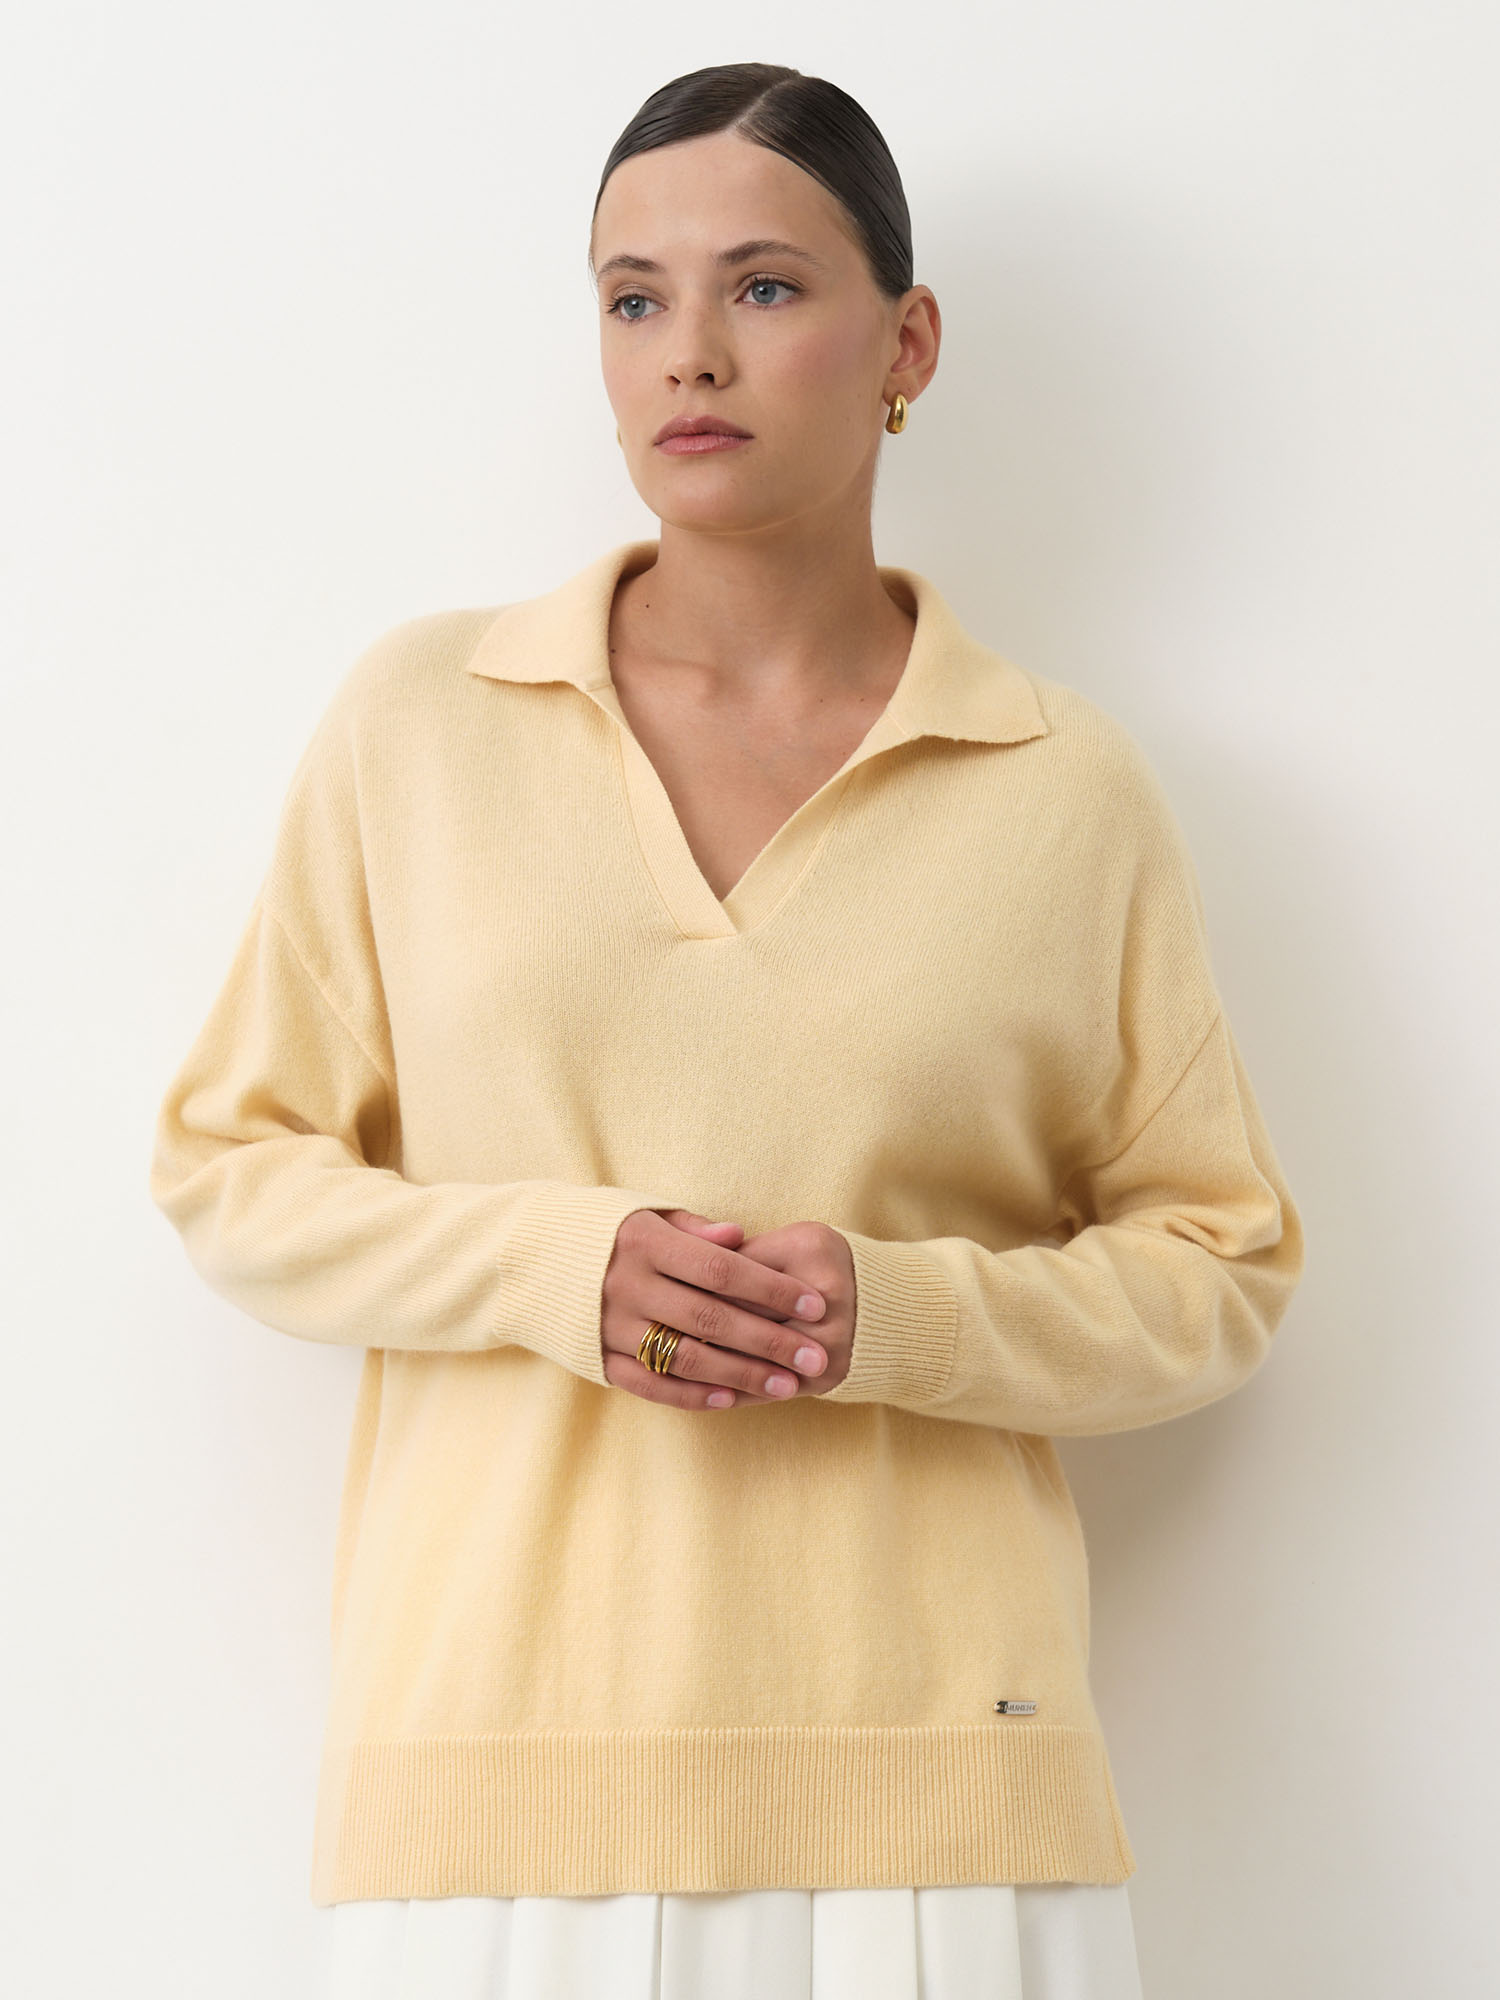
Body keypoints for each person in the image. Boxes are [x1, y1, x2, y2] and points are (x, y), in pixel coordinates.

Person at [148, 60, 1305, 2000]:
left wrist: (898, 1314)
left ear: (905, 344)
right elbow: (228, 1168)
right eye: (635, 298)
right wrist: (554, 1264)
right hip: (497, 1794)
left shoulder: (1063, 787)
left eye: (764, 287)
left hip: (943, 1804)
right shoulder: (421, 725)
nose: (689, 351)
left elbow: (1222, 1265)